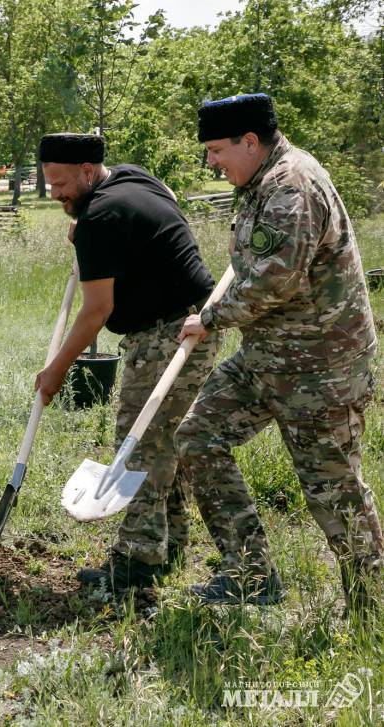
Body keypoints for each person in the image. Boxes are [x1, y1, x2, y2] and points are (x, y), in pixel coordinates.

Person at [176, 93, 383, 612]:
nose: (211, 162)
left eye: (217, 150)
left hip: (320, 366)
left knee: (333, 490)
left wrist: (211, 319)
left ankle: (373, 609)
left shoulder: (291, 184)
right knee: (198, 438)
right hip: (268, 356)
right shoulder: (260, 181)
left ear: (251, 141)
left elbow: (276, 280)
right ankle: (250, 575)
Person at [35, 133, 219, 597]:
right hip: (198, 320)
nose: (55, 193)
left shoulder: (100, 217)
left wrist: (56, 369)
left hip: (168, 334)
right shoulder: (133, 178)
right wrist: (87, 229)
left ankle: (135, 568)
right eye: (48, 184)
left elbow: (95, 310)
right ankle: (169, 547)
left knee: (137, 447)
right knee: (165, 442)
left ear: (87, 170)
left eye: (61, 184)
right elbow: (160, 211)